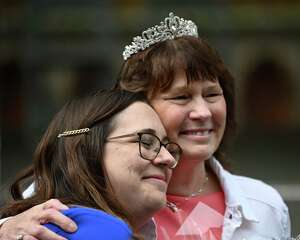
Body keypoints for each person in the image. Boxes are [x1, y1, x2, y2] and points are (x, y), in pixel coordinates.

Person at [0, 12, 291, 240]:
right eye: (181, 97)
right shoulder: (71, 188)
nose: (202, 112)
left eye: (213, 94)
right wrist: (6, 228)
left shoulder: (264, 203)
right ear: (137, 106)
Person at [0, 89, 182, 240]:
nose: (168, 159)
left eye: (167, 147)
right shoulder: (101, 230)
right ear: (88, 149)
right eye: (147, 142)